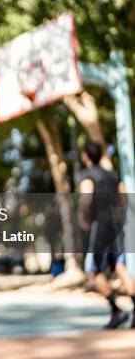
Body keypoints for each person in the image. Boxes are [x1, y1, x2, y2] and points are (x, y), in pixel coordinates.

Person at [79, 140, 135, 329]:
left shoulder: (88, 175)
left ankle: (116, 310)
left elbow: (86, 198)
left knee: (93, 271)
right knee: (120, 268)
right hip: (116, 224)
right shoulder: (112, 175)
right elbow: (124, 198)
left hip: (100, 225)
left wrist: (83, 218)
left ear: (86, 156)